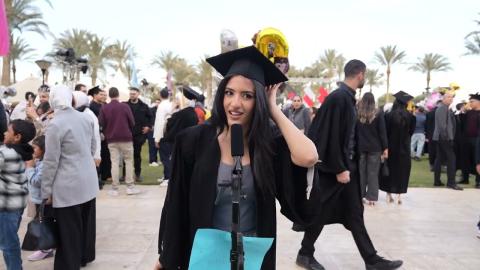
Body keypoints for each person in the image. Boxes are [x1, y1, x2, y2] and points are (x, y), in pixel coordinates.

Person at [154, 46, 318, 270]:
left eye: (247, 96)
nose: (235, 104)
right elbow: (176, 204)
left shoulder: (267, 146)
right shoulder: (194, 142)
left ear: (258, 101)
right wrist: (166, 257)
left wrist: (273, 108)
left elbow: (308, 157)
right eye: (229, 93)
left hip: (252, 257)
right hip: (206, 256)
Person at [297, 60, 403, 270]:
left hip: (345, 168)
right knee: (322, 212)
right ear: (360, 74)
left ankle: (371, 260)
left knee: (354, 214)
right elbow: (332, 136)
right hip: (337, 170)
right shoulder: (340, 99)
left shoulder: (344, 98)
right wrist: (339, 168)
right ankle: (305, 253)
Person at [41, 86, 98, 270]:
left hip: (68, 185)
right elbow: (92, 146)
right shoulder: (85, 117)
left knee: (69, 231)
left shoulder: (55, 124)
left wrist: (46, 190)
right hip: (88, 181)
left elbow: (51, 161)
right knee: (85, 225)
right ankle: (83, 257)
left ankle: (69, 265)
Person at [0, 119, 36, 270]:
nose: (4, 133)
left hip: (7, 206)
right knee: (9, 240)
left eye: (8, 131)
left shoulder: (6, 153)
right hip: (18, 204)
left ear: (17, 137)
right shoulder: (26, 151)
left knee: (9, 244)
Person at [99, 87, 140, 196]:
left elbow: (101, 123)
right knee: (129, 161)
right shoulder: (125, 106)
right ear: (118, 95)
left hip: (112, 139)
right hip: (126, 137)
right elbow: (132, 122)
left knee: (115, 163)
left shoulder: (105, 108)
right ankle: (130, 187)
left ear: (109, 95)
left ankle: (115, 188)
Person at [379, 91, 416, 204]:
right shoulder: (411, 117)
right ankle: (399, 196)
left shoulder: (388, 116)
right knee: (402, 171)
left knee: (390, 170)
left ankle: (388, 194)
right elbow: (411, 132)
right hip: (404, 148)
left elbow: (384, 132)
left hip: (391, 147)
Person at [25, 135, 55, 261]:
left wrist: (30, 167)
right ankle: (47, 247)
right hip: (39, 200)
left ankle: (45, 249)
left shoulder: (44, 164)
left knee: (43, 224)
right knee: (43, 222)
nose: (33, 150)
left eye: (35, 148)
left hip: (43, 201)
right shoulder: (40, 162)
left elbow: (36, 181)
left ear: (43, 149)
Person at [356, 92, 388, 205]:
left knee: (360, 173)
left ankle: (359, 196)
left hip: (360, 146)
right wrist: (385, 147)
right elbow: (382, 131)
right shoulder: (378, 112)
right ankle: (372, 198)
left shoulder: (358, 112)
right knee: (373, 173)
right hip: (375, 147)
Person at [432, 92, 463, 190]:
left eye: (452, 97)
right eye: (448, 97)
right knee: (452, 159)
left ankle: (437, 181)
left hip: (442, 137)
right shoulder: (442, 108)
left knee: (439, 159)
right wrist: (448, 138)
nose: (451, 99)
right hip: (444, 138)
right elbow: (442, 126)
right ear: (443, 99)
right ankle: (451, 182)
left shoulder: (445, 108)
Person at [125, 86, 153, 181]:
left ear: (138, 94)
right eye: (130, 94)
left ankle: (137, 174)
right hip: (127, 134)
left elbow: (151, 118)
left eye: (134, 94)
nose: (132, 95)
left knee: (137, 155)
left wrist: (148, 127)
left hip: (139, 135)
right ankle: (125, 175)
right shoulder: (125, 105)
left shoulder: (144, 106)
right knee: (126, 156)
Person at [459, 94, 480, 188]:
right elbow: (462, 125)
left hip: (477, 140)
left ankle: (478, 181)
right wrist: (462, 113)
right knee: (465, 159)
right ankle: (465, 178)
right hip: (466, 139)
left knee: (477, 160)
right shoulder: (468, 113)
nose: (470, 103)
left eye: (472, 102)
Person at [153, 88, 173, 182]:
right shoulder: (170, 105)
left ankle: (168, 177)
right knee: (168, 156)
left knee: (164, 157)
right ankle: (166, 175)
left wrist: (157, 138)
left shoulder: (161, 106)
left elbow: (160, 123)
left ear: (160, 96)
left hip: (163, 135)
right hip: (170, 134)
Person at [148, 99, 161, 167]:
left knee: (156, 145)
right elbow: (150, 119)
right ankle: (152, 160)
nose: (157, 104)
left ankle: (155, 160)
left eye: (159, 102)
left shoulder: (161, 110)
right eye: (156, 102)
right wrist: (151, 126)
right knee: (152, 146)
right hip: (152, 130)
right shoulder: (151, 110)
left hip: (158, 130)